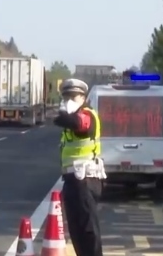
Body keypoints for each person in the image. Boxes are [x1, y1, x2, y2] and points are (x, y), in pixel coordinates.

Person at [53, 78, 106, 256]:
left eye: (73, 97)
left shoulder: (88, 114)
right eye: (66, 97)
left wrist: (63, 118)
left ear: (83, 98)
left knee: (88, 230)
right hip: (72, 181)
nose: (69, 101)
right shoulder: (70, 121)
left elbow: (80, 124)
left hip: (85, 180)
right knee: (76, 232)